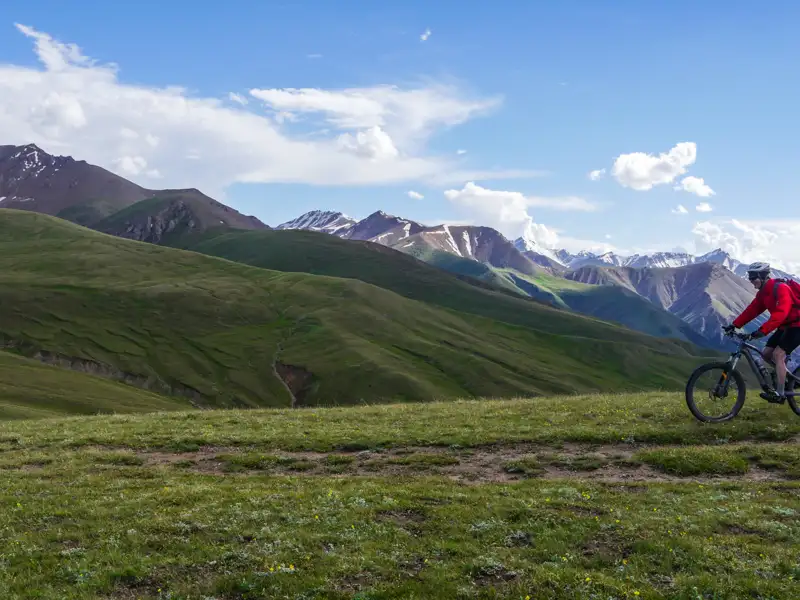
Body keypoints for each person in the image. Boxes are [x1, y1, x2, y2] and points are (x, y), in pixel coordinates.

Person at [724, 262, 800, 402]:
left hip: (797, 325)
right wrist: (734, 325)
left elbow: (781, 314)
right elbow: (752, 310)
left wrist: (761, 331)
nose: (751, 280)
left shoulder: (781, 288)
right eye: (750, 277)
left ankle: (780, 394)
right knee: (766, 354)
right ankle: (787, 377)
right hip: (785, 326)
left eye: (753, 277)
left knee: (778, 354)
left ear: (763, 276)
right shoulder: (764, 293)